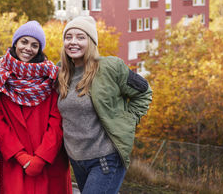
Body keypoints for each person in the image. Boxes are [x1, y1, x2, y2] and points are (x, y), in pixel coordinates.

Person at [57, 16, 152, 194]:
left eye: (80, 37)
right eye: (68, 37)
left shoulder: (110, 67)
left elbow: (144, 93)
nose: (73, 42)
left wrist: (127, 121)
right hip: (77, 160)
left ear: (91, 42)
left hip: (106, 158)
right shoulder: (61, 73)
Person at [0, 21, 72, 194]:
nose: (28, 48)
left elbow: (57, 121)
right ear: (15, 43)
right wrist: (20, 156)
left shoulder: (51, 77)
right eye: (24, 42)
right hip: (16, 159)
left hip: (49, 160)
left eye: (34, 45)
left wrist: (41, 158)